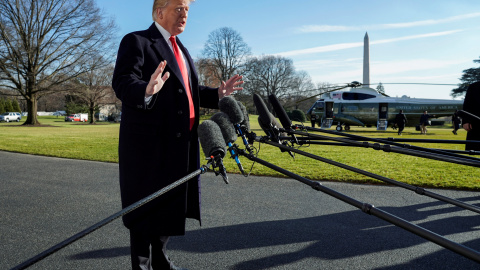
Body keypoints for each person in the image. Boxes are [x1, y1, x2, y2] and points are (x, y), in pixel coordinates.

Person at [111, 1, 243, 269]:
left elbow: (190, 91)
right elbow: (123, 81)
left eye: (187, 10)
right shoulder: (137, 41)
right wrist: (146, 90)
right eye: (179, 8)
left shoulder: (181, 48)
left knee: (169, 206)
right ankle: (142, 265)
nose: (185, 15)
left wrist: (217, 94)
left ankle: (161, 261)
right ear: (160, 12)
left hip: (179, 146)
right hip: (149, 148)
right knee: (144, 208)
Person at [462, 81, 480, 150]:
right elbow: (467, 105)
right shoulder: (474, 86)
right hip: (476, 123)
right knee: (475, 150)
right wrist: (465, 121)